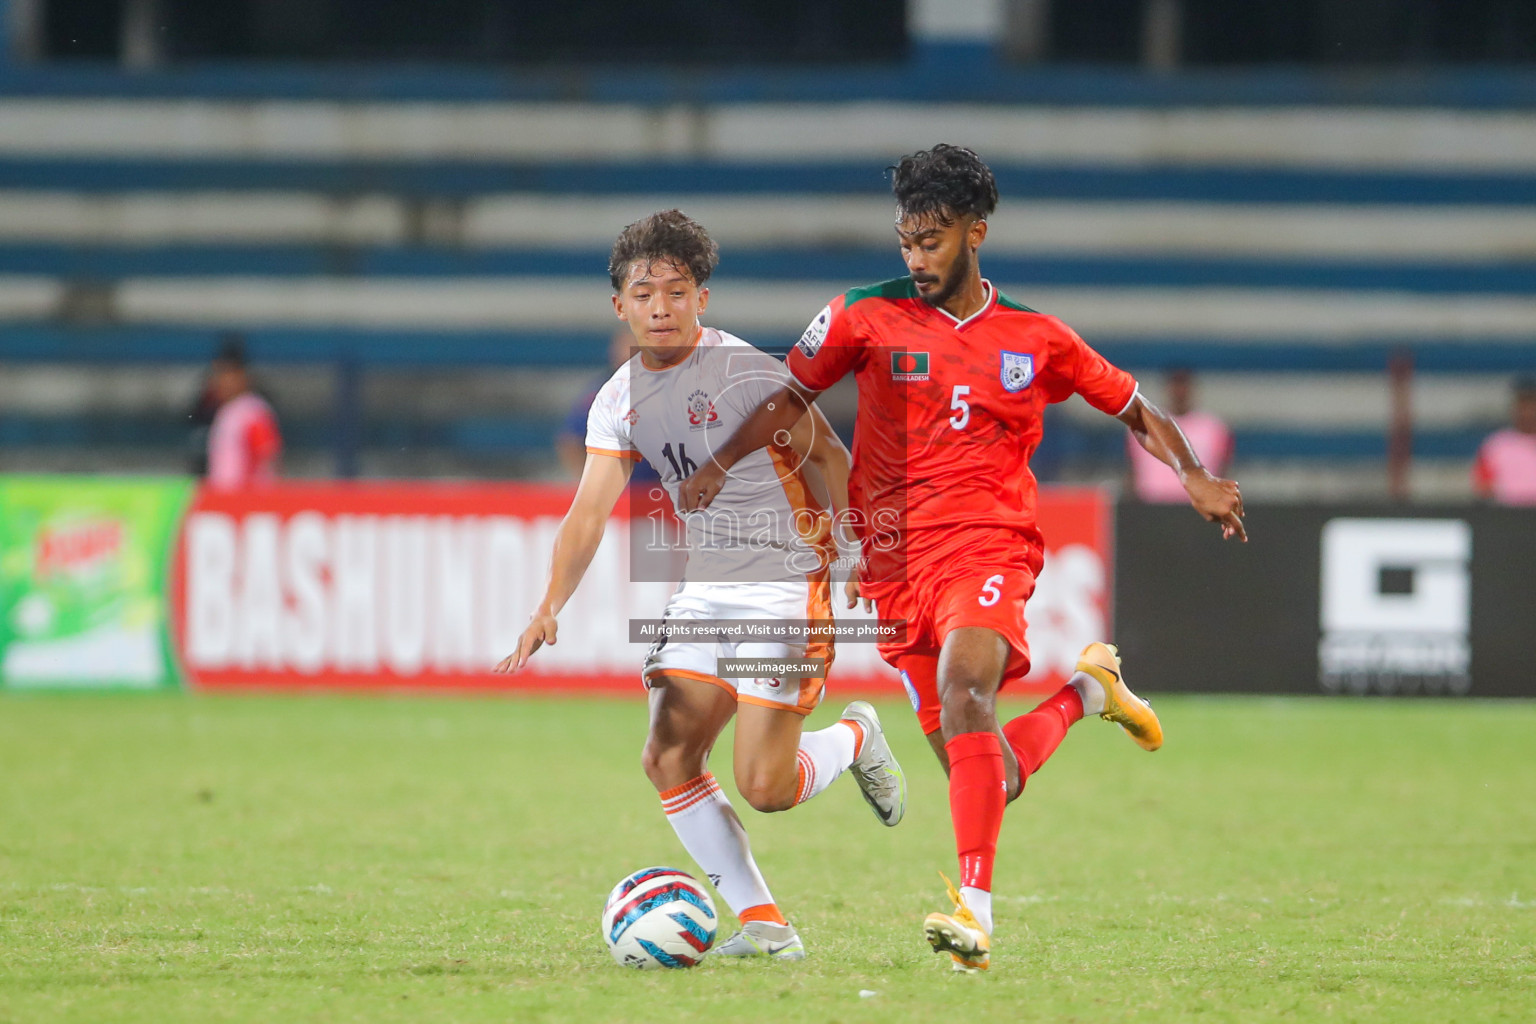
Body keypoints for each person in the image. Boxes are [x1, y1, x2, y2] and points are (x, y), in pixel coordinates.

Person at [679, 145, 1245, 973]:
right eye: (907, 241)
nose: (916, 259)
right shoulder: (860, 316)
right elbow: (786, 397)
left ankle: (974, 916)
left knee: (965, 687)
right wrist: (721, 464)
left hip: (989, 541)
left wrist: (1191, 473)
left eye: (933, 241)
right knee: (990, 773)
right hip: (893, 564)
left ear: (976, 232)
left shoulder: (1036, 337)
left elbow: (1133, 405)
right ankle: (1091, 691)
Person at [493, 210, 907, 961]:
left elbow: (831, 456)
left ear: (701, 301)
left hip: (787, 584)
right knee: (668, 754)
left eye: (676, 292)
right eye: (644, 293)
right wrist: (547, 607)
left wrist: (852, 548)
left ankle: (855, 737)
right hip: (708, 589)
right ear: (619, 307)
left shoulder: (747, 375)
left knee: (765, 786)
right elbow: (588, 513)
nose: (660, 307)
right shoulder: (617, 399)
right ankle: (767, 928)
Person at [555, 329, 660, 486]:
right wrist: (588, 484)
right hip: (616, 491)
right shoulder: (600, 394)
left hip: (658, 491)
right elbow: (571, 441)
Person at [1128, 368, 1233, 503]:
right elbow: (1133, 470)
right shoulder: (1144, 424)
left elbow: (1223, 471)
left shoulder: (1214, 428)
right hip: (1152, 505)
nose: (1179, 391)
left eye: (1183, 385)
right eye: (1176, 385)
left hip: (1197, 506)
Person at [204, 336, 282, 490]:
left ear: (242, 377)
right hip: (223, 495)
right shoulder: (226, 411)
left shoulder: (252, 411)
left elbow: (268, 457)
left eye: (226, 375)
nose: (220, 382)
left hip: (246, 496)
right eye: (218, 375)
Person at [1471, 377, 1536, 506]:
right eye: (1523, 405)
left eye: (1532, 405)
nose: (1528, 412)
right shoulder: (1496, 444)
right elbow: (1482, 487)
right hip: (1506, 517)